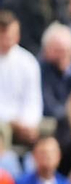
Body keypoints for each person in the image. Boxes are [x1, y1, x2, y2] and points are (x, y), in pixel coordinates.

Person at [0, 9, 41, 146]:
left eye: (13, 35)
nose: (9, 39)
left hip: (24, 123)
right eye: (4, 35)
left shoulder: (28, 61)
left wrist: (28, 123)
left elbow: (33, 99)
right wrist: (11, 121)